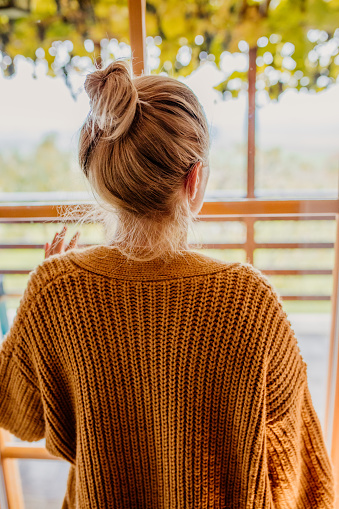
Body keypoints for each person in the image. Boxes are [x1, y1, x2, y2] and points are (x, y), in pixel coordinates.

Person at [0, 60, 334, 508]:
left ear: (105, 179)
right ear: (195, 180)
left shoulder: (54, 287)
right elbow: (300, 475)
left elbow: (17, 412)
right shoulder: (249, 301)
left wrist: (49, 301)